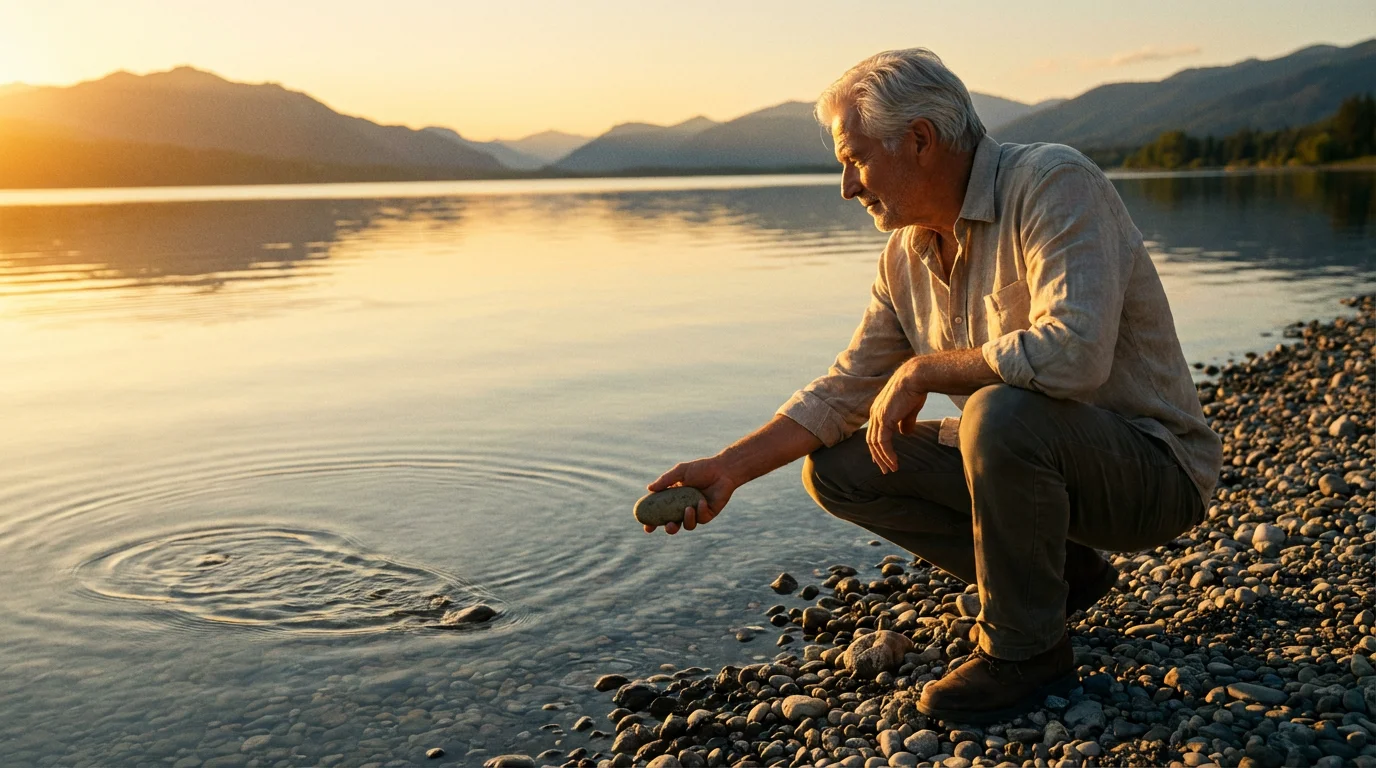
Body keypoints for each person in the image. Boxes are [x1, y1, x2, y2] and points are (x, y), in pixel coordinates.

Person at [642, 48, 1222, 723]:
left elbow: (1075, 358)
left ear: (919, 139)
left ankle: (1026, 651)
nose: (846, 187)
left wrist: (925, 369)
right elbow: (844, 390)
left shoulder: (1053, 183)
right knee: (840, 467)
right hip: (1040, 465)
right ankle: (1059, 578)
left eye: (854, 160)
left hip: (1153, 471)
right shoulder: (903, 254)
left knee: (999, 413)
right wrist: (728, 470)